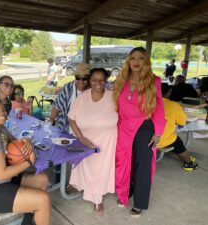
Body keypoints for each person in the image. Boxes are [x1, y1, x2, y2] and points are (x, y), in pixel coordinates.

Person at [0, 98, 51, 225]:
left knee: (42, 180)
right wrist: (29, 162)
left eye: (3, 109)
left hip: (3, 182)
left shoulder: (0, 128)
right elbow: (2, 174)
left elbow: (15, 143)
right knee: (43, 200)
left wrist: (27, 141)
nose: (2, 113)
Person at [113, 47, 166, 218]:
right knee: (123, 161)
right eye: (133, 58)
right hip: (123, 125)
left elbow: (159, 107)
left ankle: (140, 202)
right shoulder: (121, 80)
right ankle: (125, 193)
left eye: (140, 58)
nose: (136, 61)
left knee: (142, 164)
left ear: (146, 61)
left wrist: (158, 132)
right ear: (128, 61)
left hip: (145, 126)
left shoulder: (154, 81)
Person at [67, 68, 118, 215]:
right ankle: (83, 188)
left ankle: (97, 198)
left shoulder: (113, 96)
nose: (98, 83)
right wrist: (81, 138)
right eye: (94, 79)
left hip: (107, 140)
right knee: (86, 168)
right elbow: (71, 118)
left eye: (102, 79)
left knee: (101, 171)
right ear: (90, 81)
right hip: (86, 140)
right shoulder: (82, 97)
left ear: (106, 80)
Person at [157, 83, 198, 170]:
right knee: (178, 144)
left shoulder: (147, 102)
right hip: (161, 138)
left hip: (145, 138)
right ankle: (189, 163)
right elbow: (181, 123)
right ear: (168, 93)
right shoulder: (174, 105)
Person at [49, 63, 91, 132]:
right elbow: (57, 105)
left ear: (89, 78)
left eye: (85, 78)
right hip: (66, 128)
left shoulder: (93, 90)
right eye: (78, 78)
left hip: (85, 131)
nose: (81, 81)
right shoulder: (68, 88)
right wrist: (52, 119)